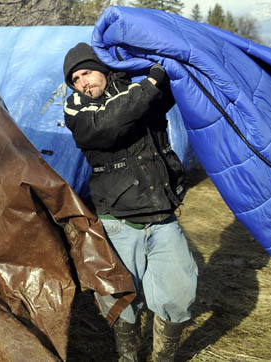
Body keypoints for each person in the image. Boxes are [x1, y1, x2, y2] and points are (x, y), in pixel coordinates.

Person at [62, 42, 197, 362]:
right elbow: (106, 125)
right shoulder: (77, 108)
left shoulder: (138, 93)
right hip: (118, 220)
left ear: (104, 70)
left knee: (178, 293)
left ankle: (164, 358)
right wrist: (151, 81)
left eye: (87, 72)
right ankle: (128, 356)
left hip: (162, 214)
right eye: (75, 78)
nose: (83, 82)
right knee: (121, 296)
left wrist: (167, 64)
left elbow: (172, 87)